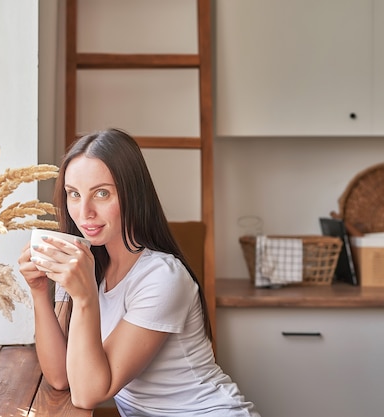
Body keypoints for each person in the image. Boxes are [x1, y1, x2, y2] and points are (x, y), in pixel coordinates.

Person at [18, 128, 259, 416]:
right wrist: (39, 292)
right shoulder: (85, 266)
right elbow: (60, 377)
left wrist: (84, 299)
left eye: (102, 193)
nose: (84, 212)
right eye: (73, 194)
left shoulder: (162, 277)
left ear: (133, 194)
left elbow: (87, 394)